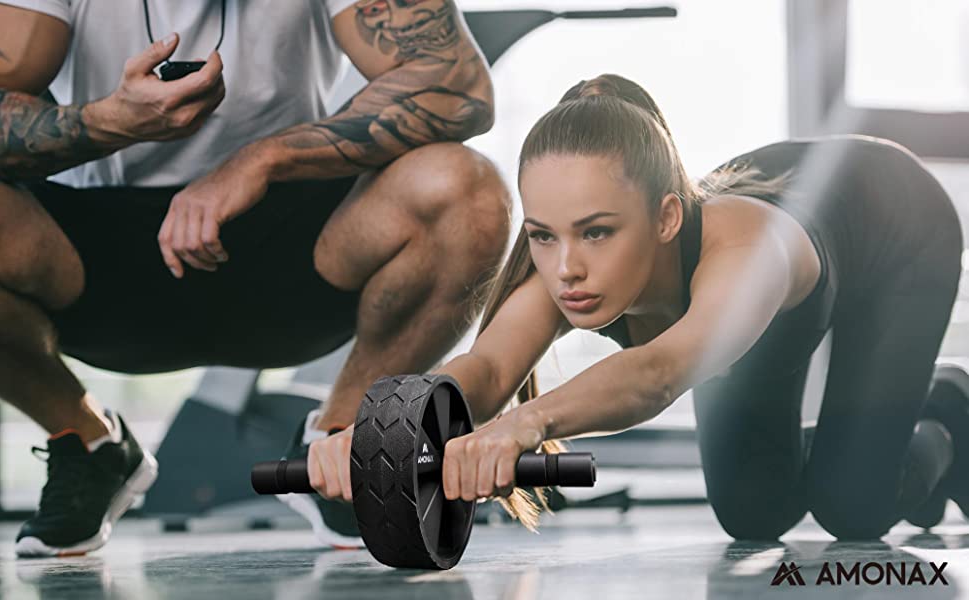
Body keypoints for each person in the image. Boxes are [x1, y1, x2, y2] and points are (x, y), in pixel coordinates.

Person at [309, 74, 969, 540]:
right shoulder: (569, 265)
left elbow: (660, 371)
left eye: (596, 231)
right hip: (764, 319)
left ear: (664, 218)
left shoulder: (743, 255)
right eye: (544, 235)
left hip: (896, 228)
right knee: (754, 514)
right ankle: (854, 445)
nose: (566, 265)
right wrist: (381, 431)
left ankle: (947, 408)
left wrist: (524, 425)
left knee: (853, 506)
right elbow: (486, 369)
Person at [0, 0, 510, 556]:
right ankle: (88, 442)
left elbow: (457, 86)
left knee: (468, 192)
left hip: (297, 248)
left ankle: (345, 448)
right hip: (92, 260)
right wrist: (106, 122)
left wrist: (261, 160)